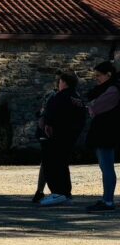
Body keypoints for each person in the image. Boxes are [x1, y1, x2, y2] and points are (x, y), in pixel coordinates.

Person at [38, 71, 86, 207]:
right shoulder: (77, 98)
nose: (58, 84)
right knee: (63, 163)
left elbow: (51, 112)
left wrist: (47, 124)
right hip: (70, 136)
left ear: (64, 82)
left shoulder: (60, 96)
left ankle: (58, 192)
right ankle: (65, 193)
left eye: (59, 81)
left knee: (52, 163)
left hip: (57, 135)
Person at [82, 61, 120, 212]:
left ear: (108, 75)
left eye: (99, 75)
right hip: (104, 132)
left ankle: (108, 201)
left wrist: (90, 105)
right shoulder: (109, 89)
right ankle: (106, 199)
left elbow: (95, 107)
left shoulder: (113, 90)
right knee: (105, 167)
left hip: (106, 133)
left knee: (107, 167)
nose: (96, 78)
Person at [32, 84, 56, 202]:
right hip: (50, 133)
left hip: (45, 133)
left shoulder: (51, 95)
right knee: (49, 162)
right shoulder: (54, 96)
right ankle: (53, 191)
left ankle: (40, 191)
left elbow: (41, 113)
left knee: (46, 163)